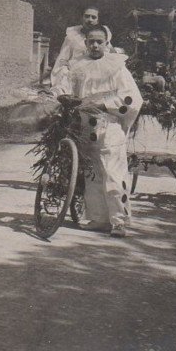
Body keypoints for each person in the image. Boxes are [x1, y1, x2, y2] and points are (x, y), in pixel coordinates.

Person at [52, 26, 143, 238]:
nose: (94, 45)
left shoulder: (117, 67)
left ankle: (119, 221)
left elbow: (132, 98)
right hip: (84, 126)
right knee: (92, 174)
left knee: (113, 173)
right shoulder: (78, 66)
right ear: (85, 43)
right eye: (91, 41)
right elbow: (64, 86)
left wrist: (104, 105)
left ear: (106, 43)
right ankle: (98, 218)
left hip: (109, 126)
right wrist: (63, 96)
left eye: (99, 42)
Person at [49, 6, 113, 88]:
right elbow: (62, 59)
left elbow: (110, 54)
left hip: (98, 71)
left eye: (93, 17)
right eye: (87, 16)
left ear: (98, 20)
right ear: (82, 18)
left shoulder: (102, 35)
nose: (90, 20)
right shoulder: (72, 36)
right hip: (77, 73)